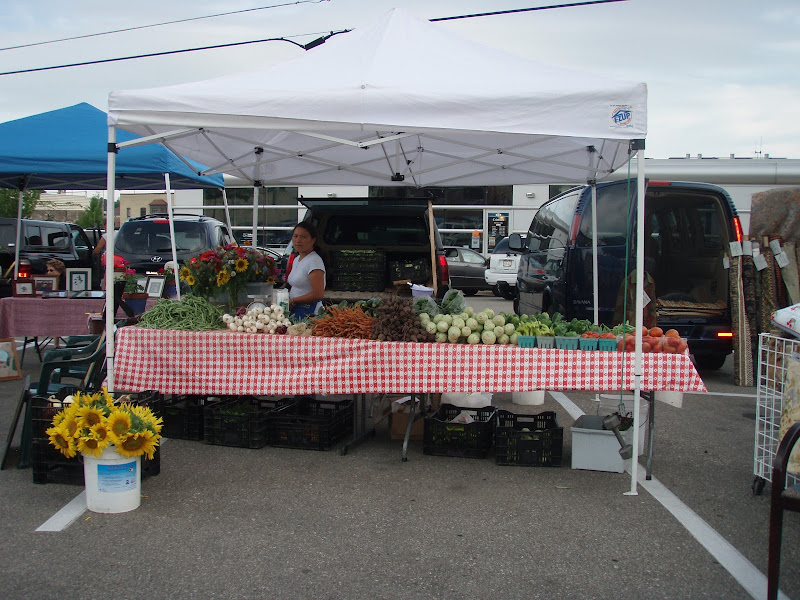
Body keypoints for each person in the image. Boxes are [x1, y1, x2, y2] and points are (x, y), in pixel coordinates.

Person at [286, 221, 326, 319]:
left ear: (313, 240)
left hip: (310, 313)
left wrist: (293, 300)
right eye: (295, 236)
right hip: (296, 310)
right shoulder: (297, 259)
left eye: (303, 237)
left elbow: (318, 294)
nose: (298, 240)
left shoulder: (314, 261)